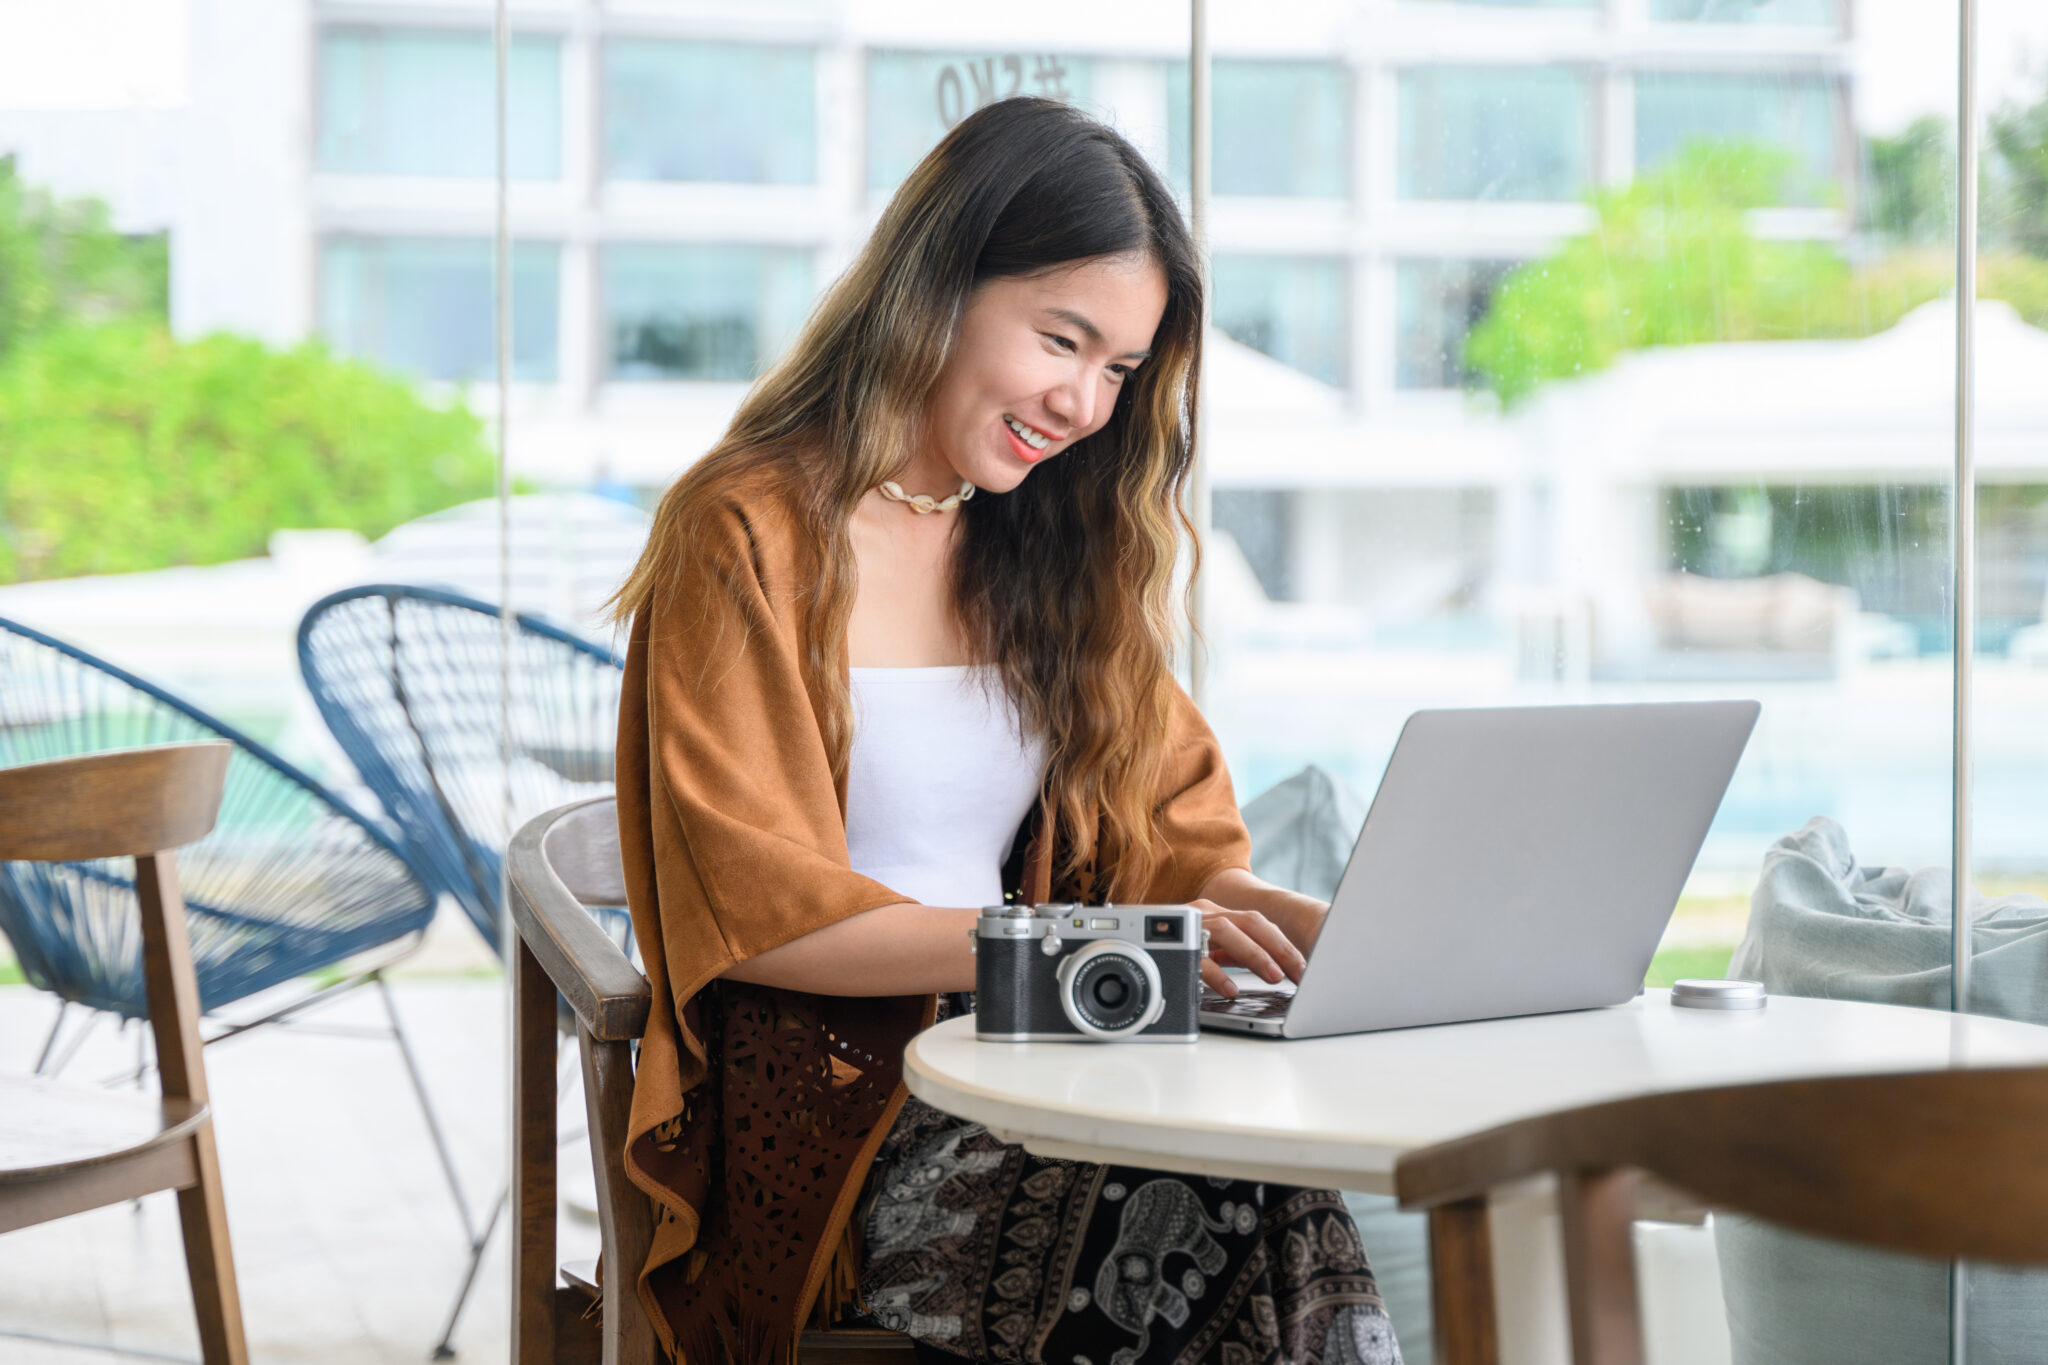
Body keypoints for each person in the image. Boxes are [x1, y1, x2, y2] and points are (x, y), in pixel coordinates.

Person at [609, 97, 1402, 1365]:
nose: (1085, 402)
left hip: (1056, 1069)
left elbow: (1176, 849)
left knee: (1271, 1201)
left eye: (1118, 370)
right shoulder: (743, 530)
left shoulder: (1049, 542)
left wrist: (1343, 937)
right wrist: (1079, 944)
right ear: (937, 284)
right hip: (854, 1125)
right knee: (1208, 1222)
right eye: (1061, 340)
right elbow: (763, 915)